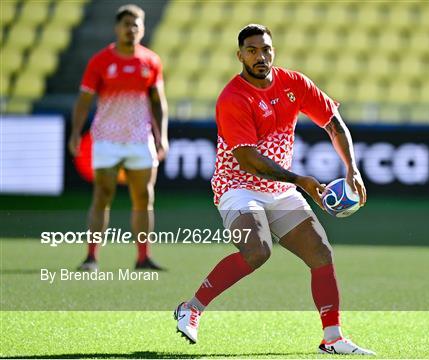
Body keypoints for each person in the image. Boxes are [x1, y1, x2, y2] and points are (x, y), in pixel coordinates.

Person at [173, 24, 374, 355]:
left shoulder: (294, 83)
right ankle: (191, 308)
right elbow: (248, 159)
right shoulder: (233, 98)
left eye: (265, 49)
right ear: (240, 56)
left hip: (278, 188)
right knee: (257, 250)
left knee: (321, 253)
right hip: (237, 186)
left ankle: (333, 338)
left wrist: (352, 168)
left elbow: (334, 122)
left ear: (273, 51)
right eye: (251, 51)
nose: (260, 56)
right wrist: (302, 182)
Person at [68, 4, 168, 271]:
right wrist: (76, 132)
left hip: (140, 139)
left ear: (142, 29)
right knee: (102, 195)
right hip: (107, 139)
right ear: (117, 28)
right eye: (126, 24)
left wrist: (162, 136)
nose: (131, 29)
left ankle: (143, 257)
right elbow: (84, 100)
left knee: (144, 198)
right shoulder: (100, 61)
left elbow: (158, 103)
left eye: (136, 25)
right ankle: (91, 257)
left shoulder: (151, 61)